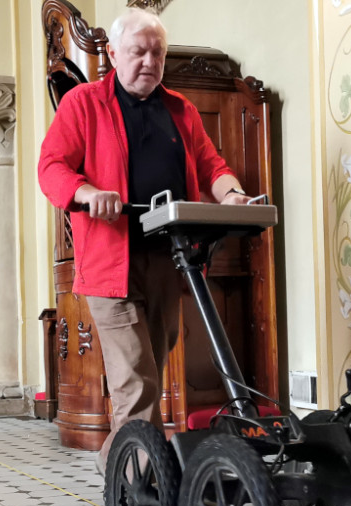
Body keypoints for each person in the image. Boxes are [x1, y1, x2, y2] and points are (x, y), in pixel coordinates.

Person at [38, 7, 252, 475]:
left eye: (157, 52)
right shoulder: (84, 104)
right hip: (111, 263)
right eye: (138, 52)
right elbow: (51, 167)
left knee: (151, 368)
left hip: (169, 259)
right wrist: (87, 193)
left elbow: (211, 165)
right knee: (136, 377)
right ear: (113, 54)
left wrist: (233, 194)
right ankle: (146, 491)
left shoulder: (181, 109)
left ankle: (113, 463)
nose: (149, 62)